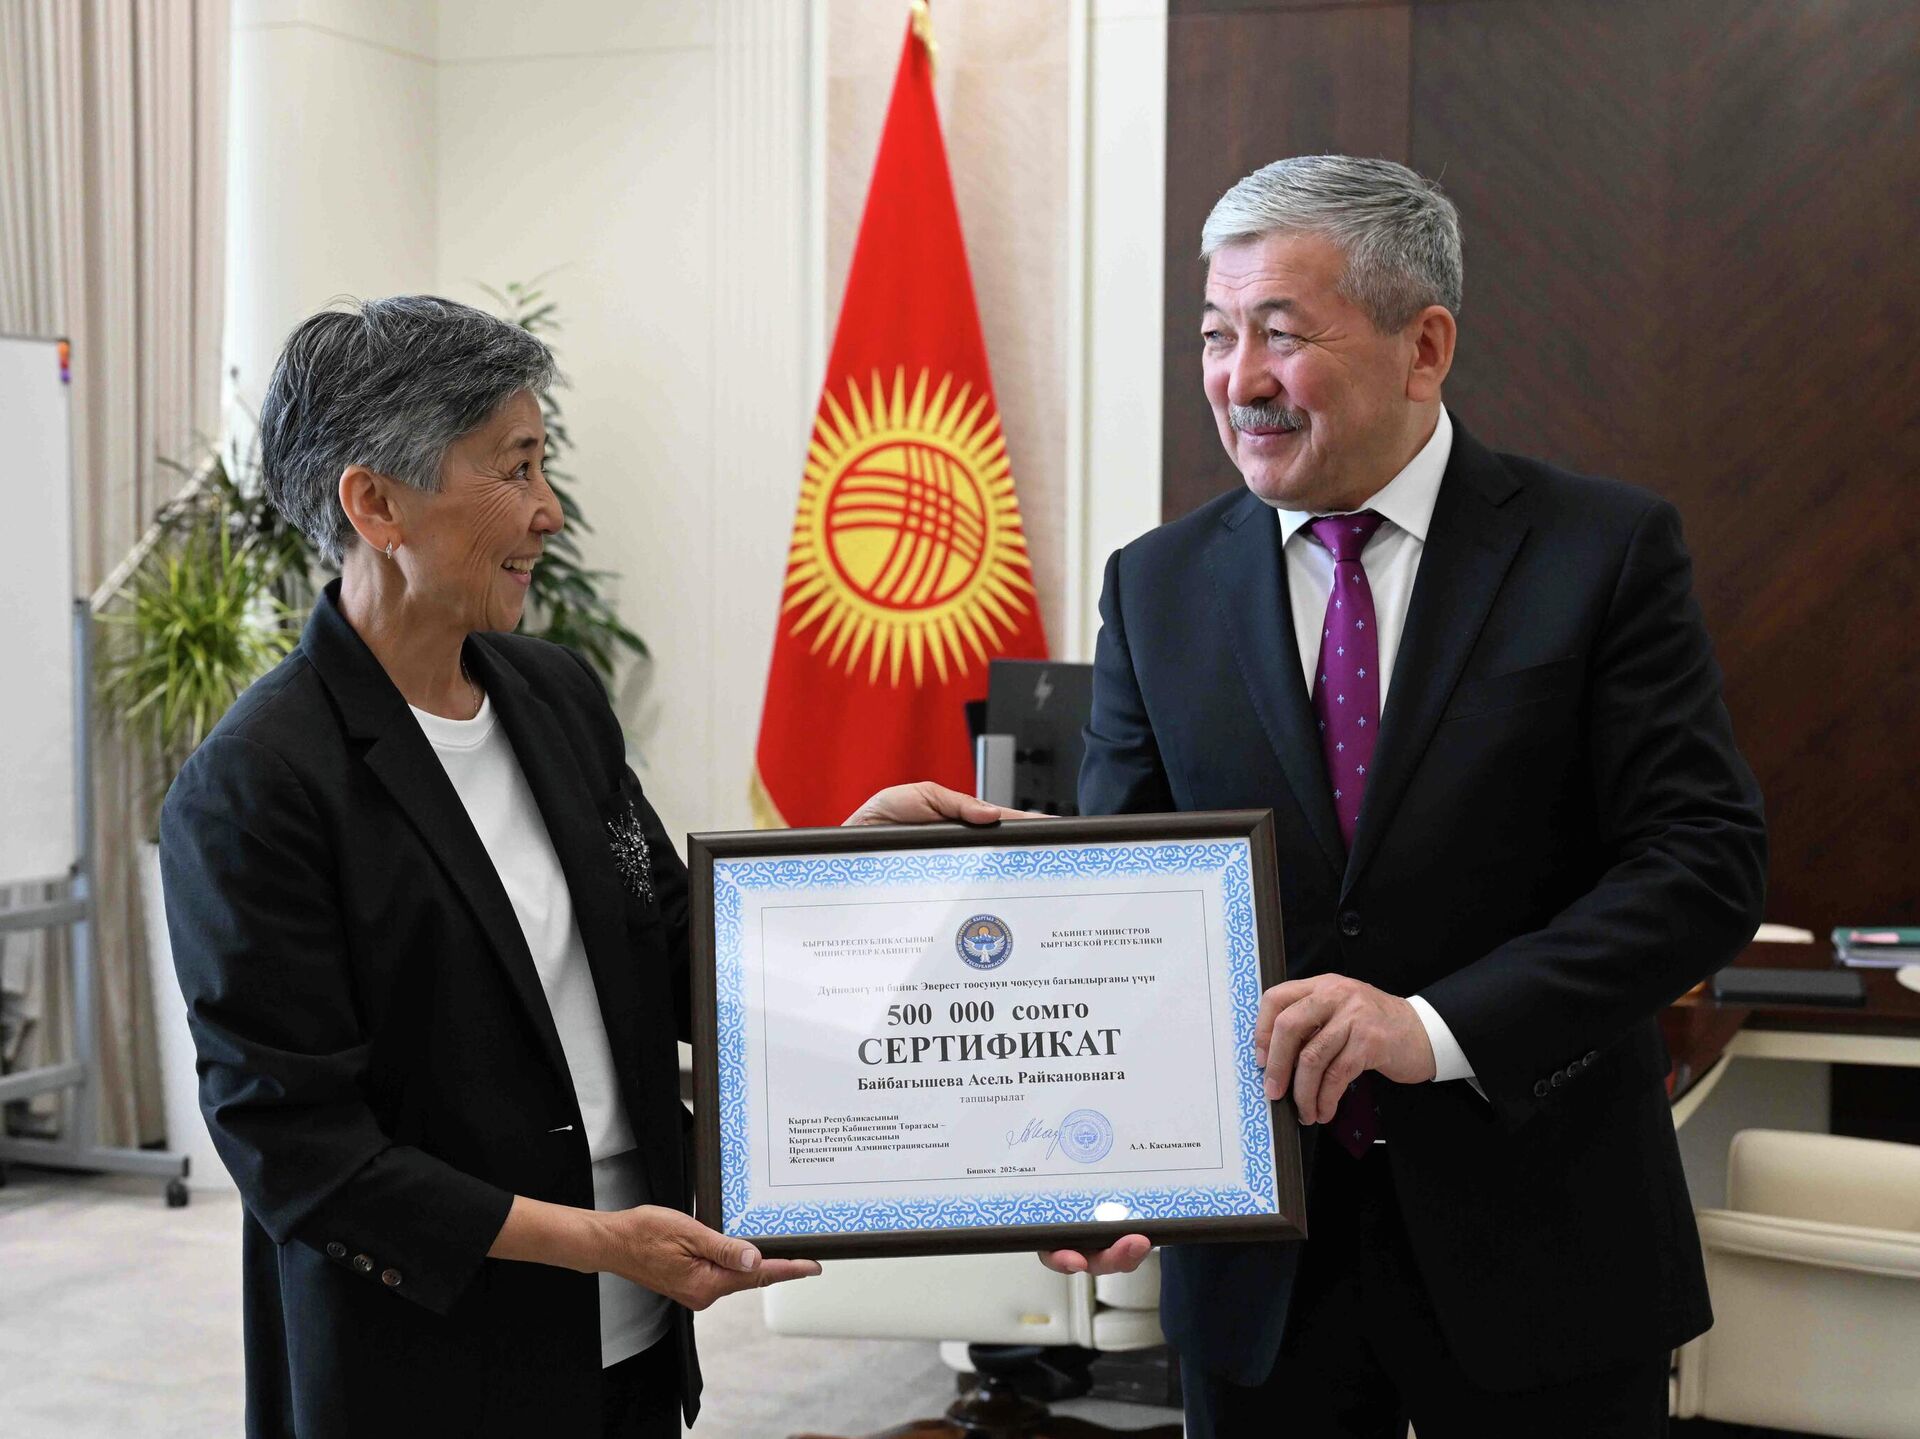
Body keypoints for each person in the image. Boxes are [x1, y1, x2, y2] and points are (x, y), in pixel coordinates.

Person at [160, 296, 1015, 1439]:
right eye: (514, 466)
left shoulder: (553, 697)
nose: (549, 509)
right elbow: (301, 1150)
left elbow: (672, 944)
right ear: (375, 503)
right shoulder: (257, 783)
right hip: (424, 1371)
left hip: (630, 1343)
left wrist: (842, 870)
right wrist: (595, 1240)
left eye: (543, 464)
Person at [1046, 157, 1767, 1437]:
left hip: (1544, 1247)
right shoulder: (1153, 586)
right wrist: (1091, 1156)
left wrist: (1432, 1026)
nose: (1239, 378)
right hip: (1263, 1269)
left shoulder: (1601, 551)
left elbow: (1702, 864)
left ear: (1423, 346)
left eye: (1281, 333)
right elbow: (1127, 904)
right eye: (1214, 335)